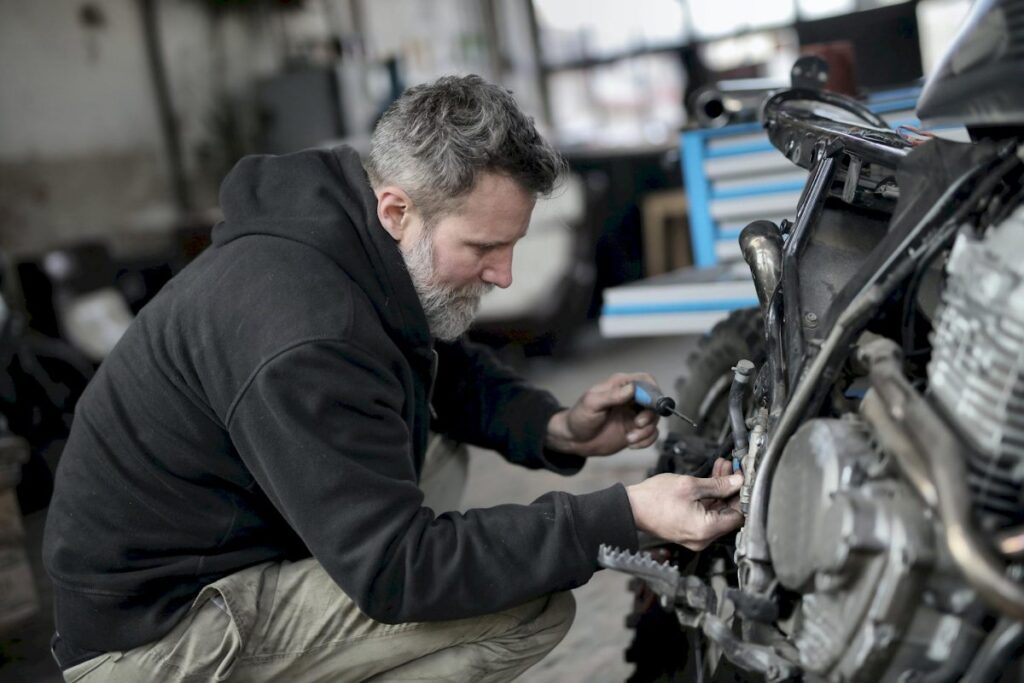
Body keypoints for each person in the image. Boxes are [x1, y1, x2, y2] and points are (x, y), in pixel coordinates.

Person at [43, 75, 743, 682]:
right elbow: (399, 568)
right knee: (524, 606)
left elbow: (434, 360)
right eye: (484, 247)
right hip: (158, 637)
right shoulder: (306, 330)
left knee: (441, 445)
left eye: (512, 246)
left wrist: (556, 426)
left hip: (216, 552)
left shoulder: (347, 236)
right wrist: (626, 514)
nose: (503, 275)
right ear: (397, 210)